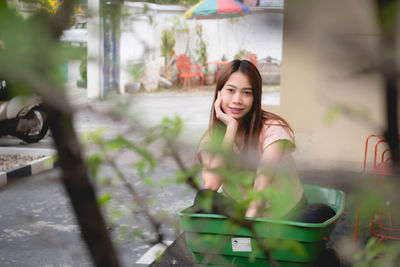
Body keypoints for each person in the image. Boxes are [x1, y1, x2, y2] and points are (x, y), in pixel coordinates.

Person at [196, 59, 307, 220]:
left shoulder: (273, 129)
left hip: (284, 214)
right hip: (242, 210)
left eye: (246, 92)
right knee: (204, 198)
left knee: (320, 213)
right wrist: (230, 130)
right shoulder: (212, 138)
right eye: (231, 90)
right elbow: (212, 184)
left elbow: (261, 189)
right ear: (219, 93)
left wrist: (246, 234)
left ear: (256, 97)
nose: (237, 100)